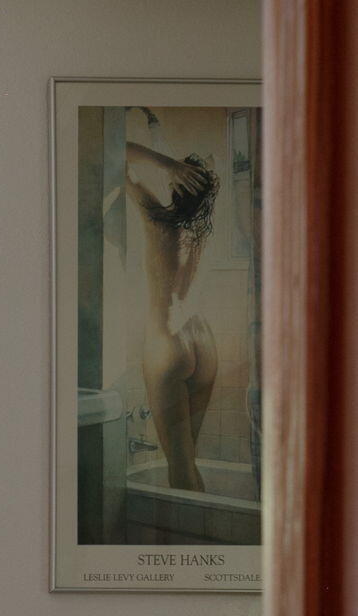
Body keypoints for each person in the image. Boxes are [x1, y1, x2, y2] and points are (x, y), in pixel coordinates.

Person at [126, 111, 220, 492]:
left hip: (167, 343)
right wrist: (155, 126)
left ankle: (184, 546)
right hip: (202, 339)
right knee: (189, 459)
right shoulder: (199, 232)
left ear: (176, 183)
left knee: (179, 468)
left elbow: (113, 151)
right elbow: (207, 175)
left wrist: (166, 163)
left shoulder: (156, 218)